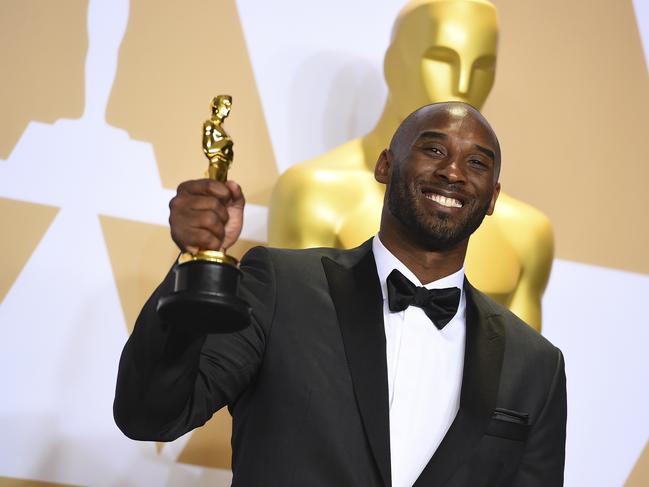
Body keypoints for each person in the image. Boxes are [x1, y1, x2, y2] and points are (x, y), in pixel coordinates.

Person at [114, 102, 566, 486]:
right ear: (385, 165)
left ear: (492, 198)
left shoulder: (535, 365)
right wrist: (197, 262)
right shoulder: (281, 287)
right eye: (433, 149)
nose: (452, 172)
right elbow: (150, 415)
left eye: (477, 163)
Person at [268, 0, 553, 332]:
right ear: (394, 64)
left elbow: (519, 376)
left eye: (482, 65)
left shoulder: (527, 234)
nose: (463, 84)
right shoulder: (313, 194)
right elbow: (296, 350)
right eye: (442, 60)